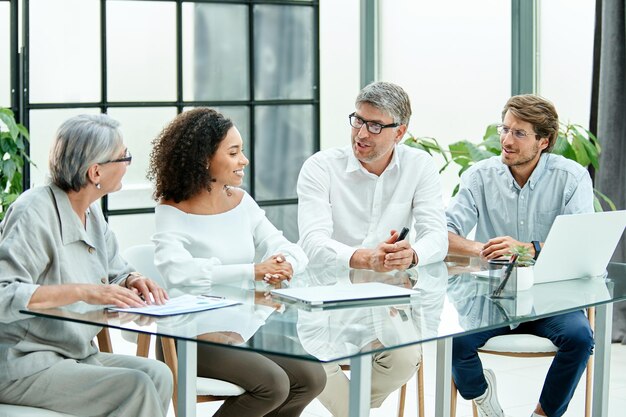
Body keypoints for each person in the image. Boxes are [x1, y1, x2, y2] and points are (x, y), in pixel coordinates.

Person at [148, 107, 326, 417]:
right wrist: (254, 270)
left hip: (244, 327)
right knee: (272, 384)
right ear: (205, 159)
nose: (243, 160)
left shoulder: (243, 203)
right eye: (234, 152)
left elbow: (286, 246)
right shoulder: (171, 211)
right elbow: (177, 272)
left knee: (311, 377)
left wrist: (286, 263)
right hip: (189, 336)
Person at [0, 114, 172, 417]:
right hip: (23, 363)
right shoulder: (33, 212)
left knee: (159, 374)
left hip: (76, 353)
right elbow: (4, 294)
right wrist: (83, 291)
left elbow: (115, 271)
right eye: (124, 156)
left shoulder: (91, 214)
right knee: (136, 385)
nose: (128, 163)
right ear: (96, 171)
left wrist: (131, 280)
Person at [296, 81, 448, 416]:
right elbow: (312, 240)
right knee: (313, 363)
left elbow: (438, 235)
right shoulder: (321, 167)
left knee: (406, 357)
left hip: (386, 304)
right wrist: (362, 257)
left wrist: (414, 253)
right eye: (358, 120)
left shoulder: (419, 166)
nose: (362, 134)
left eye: (376, 126)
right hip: (325, 299)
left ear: (400, 132)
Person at [446, 94, 595, 417]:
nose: (506, 140)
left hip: (552, 298)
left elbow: (582, 243)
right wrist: (480, 248)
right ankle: (482, 395)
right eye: (505, 129)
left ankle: (543, 414)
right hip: (492, 296)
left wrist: (529, 249)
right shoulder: (479, 176)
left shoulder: (571, 178)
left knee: (580, 337)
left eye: (519, 133)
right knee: (453, 343)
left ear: (544, 141)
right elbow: (441, 234)